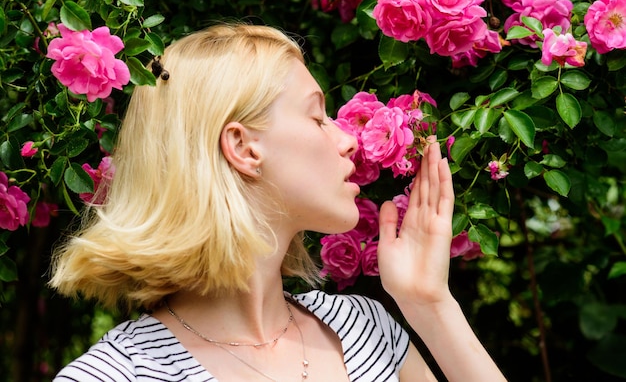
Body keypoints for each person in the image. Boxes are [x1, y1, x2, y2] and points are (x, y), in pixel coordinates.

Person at [49, 23, 507, 381]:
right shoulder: (119, 375)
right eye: (317, 116)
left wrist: (430, 305)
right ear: (244, 147)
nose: (347, 139)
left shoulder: (366, 329)